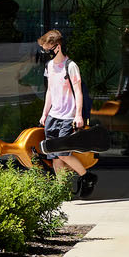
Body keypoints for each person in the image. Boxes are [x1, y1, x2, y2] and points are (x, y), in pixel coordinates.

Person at [35, 26, 89, 187]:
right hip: (53, 116)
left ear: (57, 47)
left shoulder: (71, 66)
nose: (45, 53)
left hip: (68, 118)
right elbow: (50, 91)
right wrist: (45, 114)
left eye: (47, 50)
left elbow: (78, 92)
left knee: (63, 154)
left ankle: (86, 176)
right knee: (54, 156)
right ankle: (61, 188)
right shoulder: (49, 66)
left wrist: (78, 115)